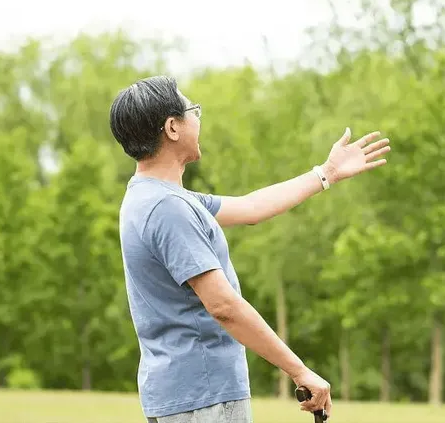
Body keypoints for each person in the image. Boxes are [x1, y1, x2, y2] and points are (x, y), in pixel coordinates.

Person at [108, 75, 390, 423]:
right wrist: (300, 371)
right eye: (192, 110)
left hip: (183, 395)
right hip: (204, 397)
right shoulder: (168, 208)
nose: (198, 118)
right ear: (172, 127)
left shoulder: (152, 197)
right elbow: (223, 306)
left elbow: (252, 208)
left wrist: (326, 173)